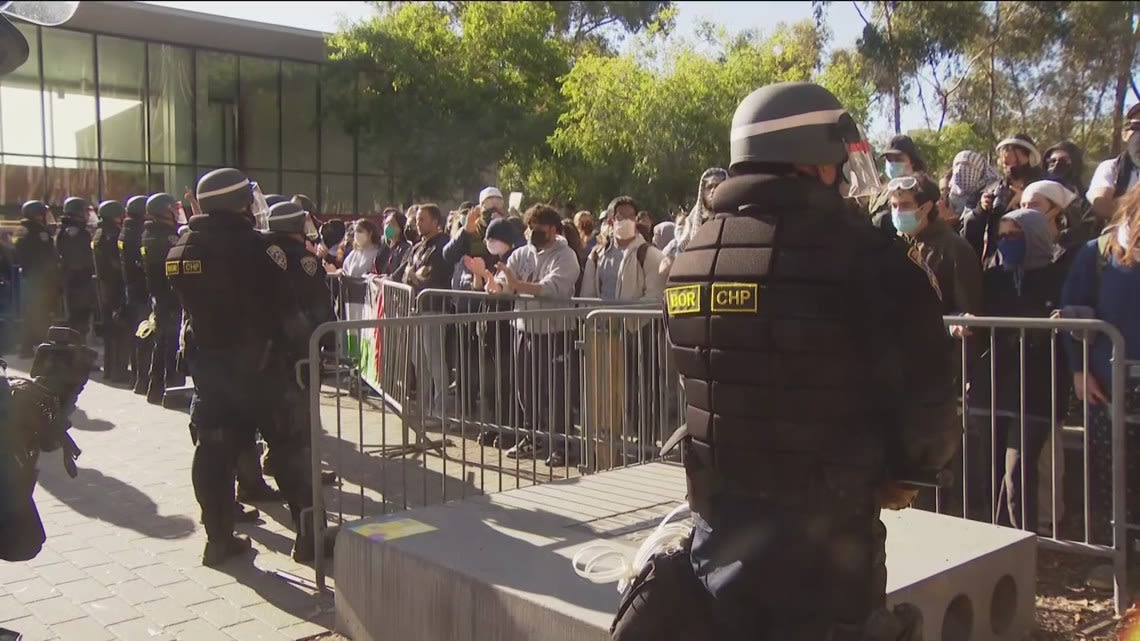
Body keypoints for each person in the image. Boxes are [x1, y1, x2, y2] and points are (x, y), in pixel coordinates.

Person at [611, 82, 957, 640]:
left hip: (717, 548)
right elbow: (929, 404)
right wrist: (908, 467)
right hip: (827, 558)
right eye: (837, 162)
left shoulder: (691, 259)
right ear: (813, 160)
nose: (842, 175)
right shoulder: (870, 259)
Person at [168, 167, 334, 566]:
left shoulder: (181, 250)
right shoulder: (259, 250)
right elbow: (285, 310)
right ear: (236, 204)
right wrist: (304, 355)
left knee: (213, 453)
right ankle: (311, 539)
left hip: (210, 370)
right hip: (263, 370)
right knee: (292, 452)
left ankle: (219, 538)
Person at [961, 134, 1044, 266]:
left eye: (1016, 161)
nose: (1010, 167)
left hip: (1033, 265)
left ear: (1031, 158)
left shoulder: (1044, 190)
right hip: (996, 266)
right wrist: (981, 210)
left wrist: (1026, 201)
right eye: (1006, 163)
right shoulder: (993, 189)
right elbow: (970, 235)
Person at [140, 193, 186, 405]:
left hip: (159, 297)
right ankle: (172, 391)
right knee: (171, 345)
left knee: (161, 343)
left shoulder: (150, 233)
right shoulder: (166, 237)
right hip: (169, 297)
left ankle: (155, 389)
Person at [14, 200, 60, 358]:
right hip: (40, 279)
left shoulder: (22, 230)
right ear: (37, 215)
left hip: (29, 277)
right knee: (41, 313)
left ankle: (26, 348)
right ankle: (44, 348)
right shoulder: (39, 233)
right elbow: (47, 256)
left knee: (31, 314)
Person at [91, 200, 130, 383]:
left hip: (104, 286)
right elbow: (116, 262)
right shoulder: (113, 234)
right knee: (118, 330)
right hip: (114, 286)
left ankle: (109, 369)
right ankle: (118, 371)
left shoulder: (99, 233)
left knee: (109, 331)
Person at [119, 196, 152, 395]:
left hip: (133, 288)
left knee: (138, 334)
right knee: (144, 335)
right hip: (140, 289)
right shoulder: (136, 233)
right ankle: (141, 378)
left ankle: (137, 377)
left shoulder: (128, 229)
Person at [55, 197, 96, 342]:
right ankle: (75, 356)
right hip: (76, 281)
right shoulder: (73, 231)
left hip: (79, 280)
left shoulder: (78, 230)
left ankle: (78, 353)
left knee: (81, 320)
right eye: (85, 211)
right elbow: (76, 259)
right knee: (77, 321)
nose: (87, 215)